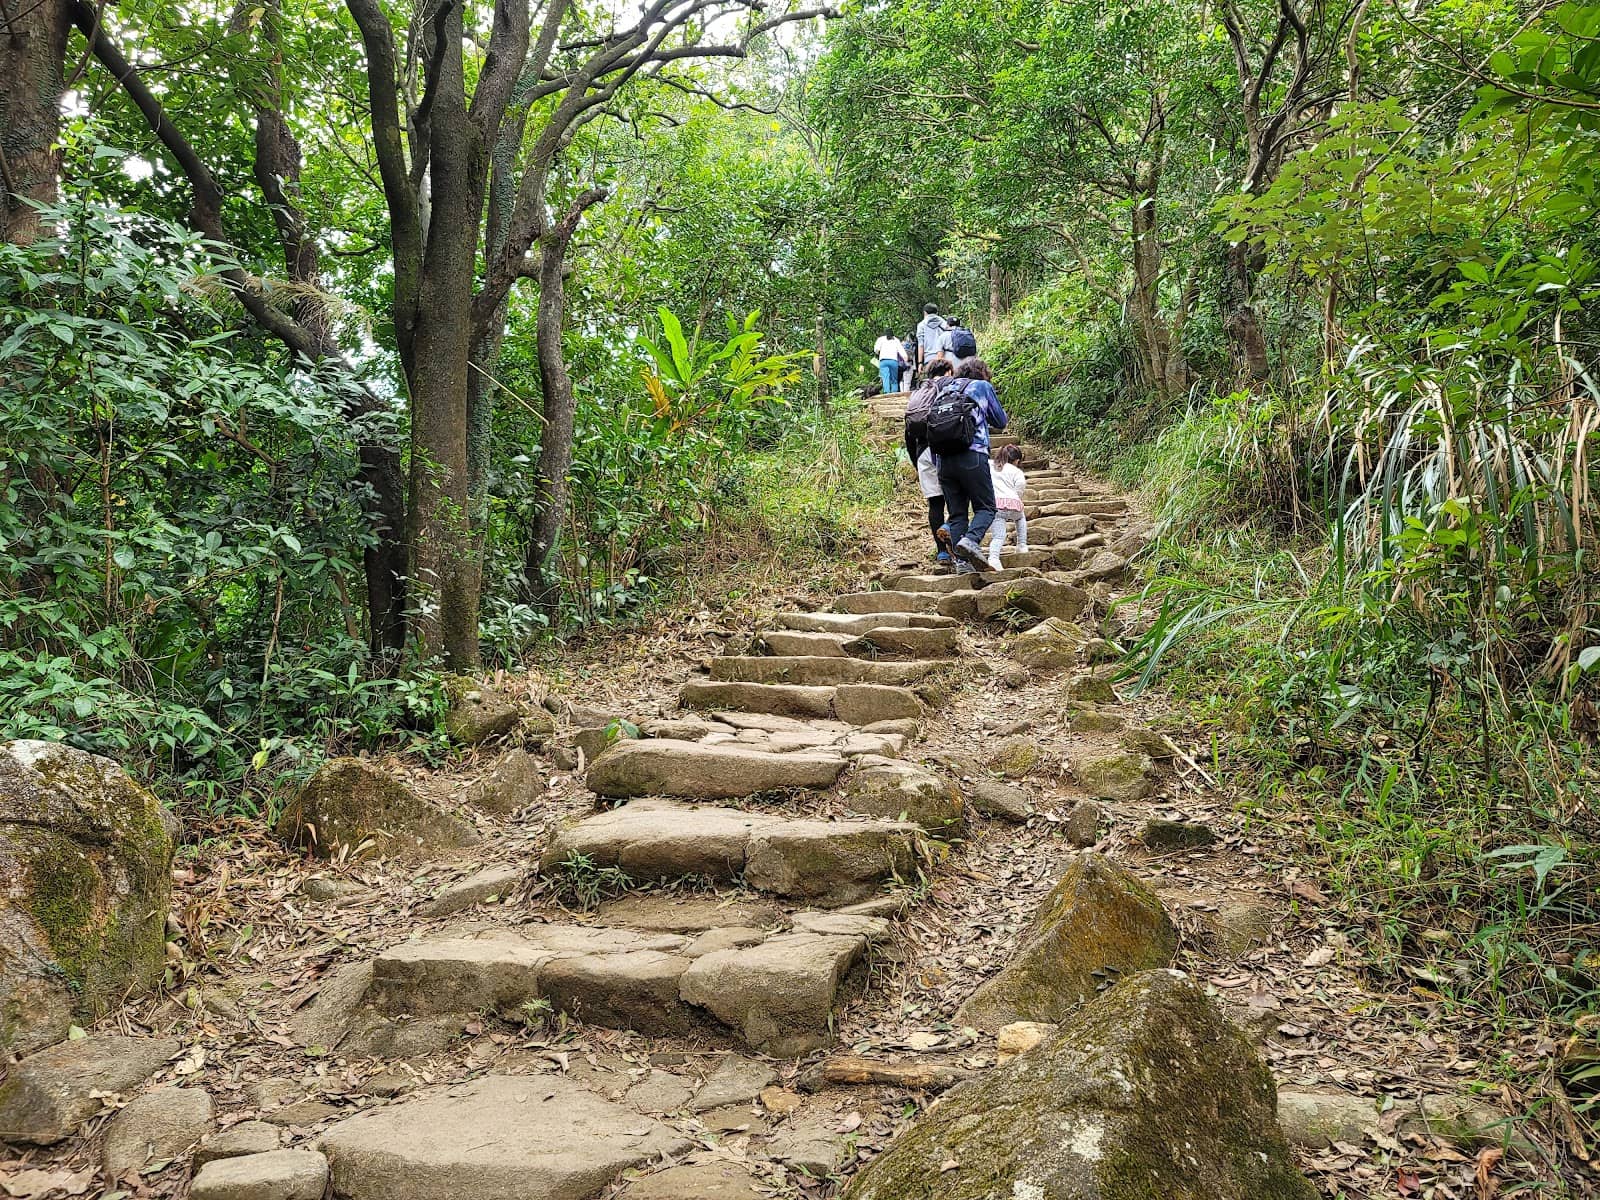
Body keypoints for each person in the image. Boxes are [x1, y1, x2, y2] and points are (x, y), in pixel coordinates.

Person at [927, 357, 1008, 572]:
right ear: (983, 373)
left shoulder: (943, 390)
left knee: (957, 515)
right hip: (973, 455)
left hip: (943, 460)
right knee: (986, 507)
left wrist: (937, 465)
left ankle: (962, 563)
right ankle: (970, 540)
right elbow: (1000, 421)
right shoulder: (981, 386)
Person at [904, 358, 955, 564]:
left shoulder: (918, 393)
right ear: (948, 371)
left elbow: (908, 432)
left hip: (923, 452)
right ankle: (953, 535)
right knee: (956, 499)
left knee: (935, 503)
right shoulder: (949, 387)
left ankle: (942, 552)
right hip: (947, 450)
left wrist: (916, 461)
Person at [985, 444, 1029, 568]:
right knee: (1020, 518)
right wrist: (1016, 498)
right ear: (1017, 460)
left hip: (995, 505)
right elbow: (1020, 487)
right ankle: (1022, 545)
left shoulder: (989, 465)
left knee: (999, 536)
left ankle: (994, 558)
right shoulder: (1016, 471)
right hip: (1012, 504)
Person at [914, 303, 947, 384]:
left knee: (932, 383)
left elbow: (921, 345)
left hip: (929, 359)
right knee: (943, 382)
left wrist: (920, 362)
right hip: (943, 357)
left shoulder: (921, 325)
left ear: (925, 313)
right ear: (937, 312)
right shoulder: (944, 323)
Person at [873, 329, 907, 395]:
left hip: (883, 361)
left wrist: (879, 352)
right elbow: (902, 351)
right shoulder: (896, 340)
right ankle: (894, 392)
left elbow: (876, 350)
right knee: (894, 378)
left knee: (885, 377)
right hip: (893, 361)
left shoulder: (881, 339)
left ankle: (887, 392)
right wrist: (905, 358)